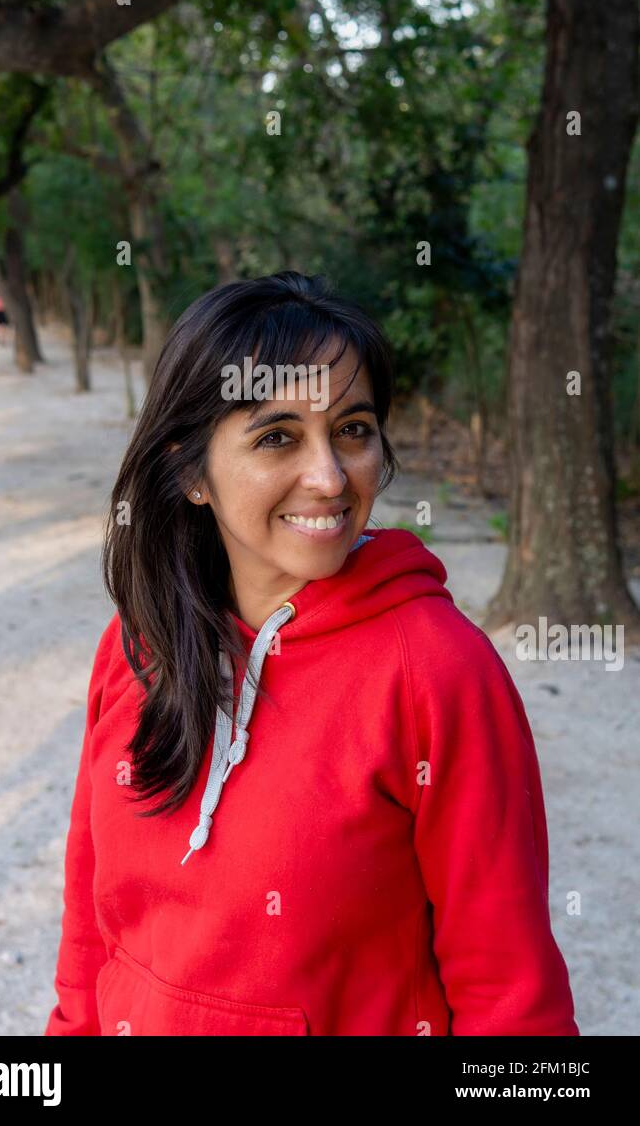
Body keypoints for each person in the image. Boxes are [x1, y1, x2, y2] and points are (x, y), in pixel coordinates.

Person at [44, 270, 579, 1037]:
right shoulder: (135, 648)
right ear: (189, 469)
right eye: (277, 437)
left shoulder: (437, 670)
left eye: (353, 429)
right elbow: (92, 927)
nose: (331, 478)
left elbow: (512, 998)